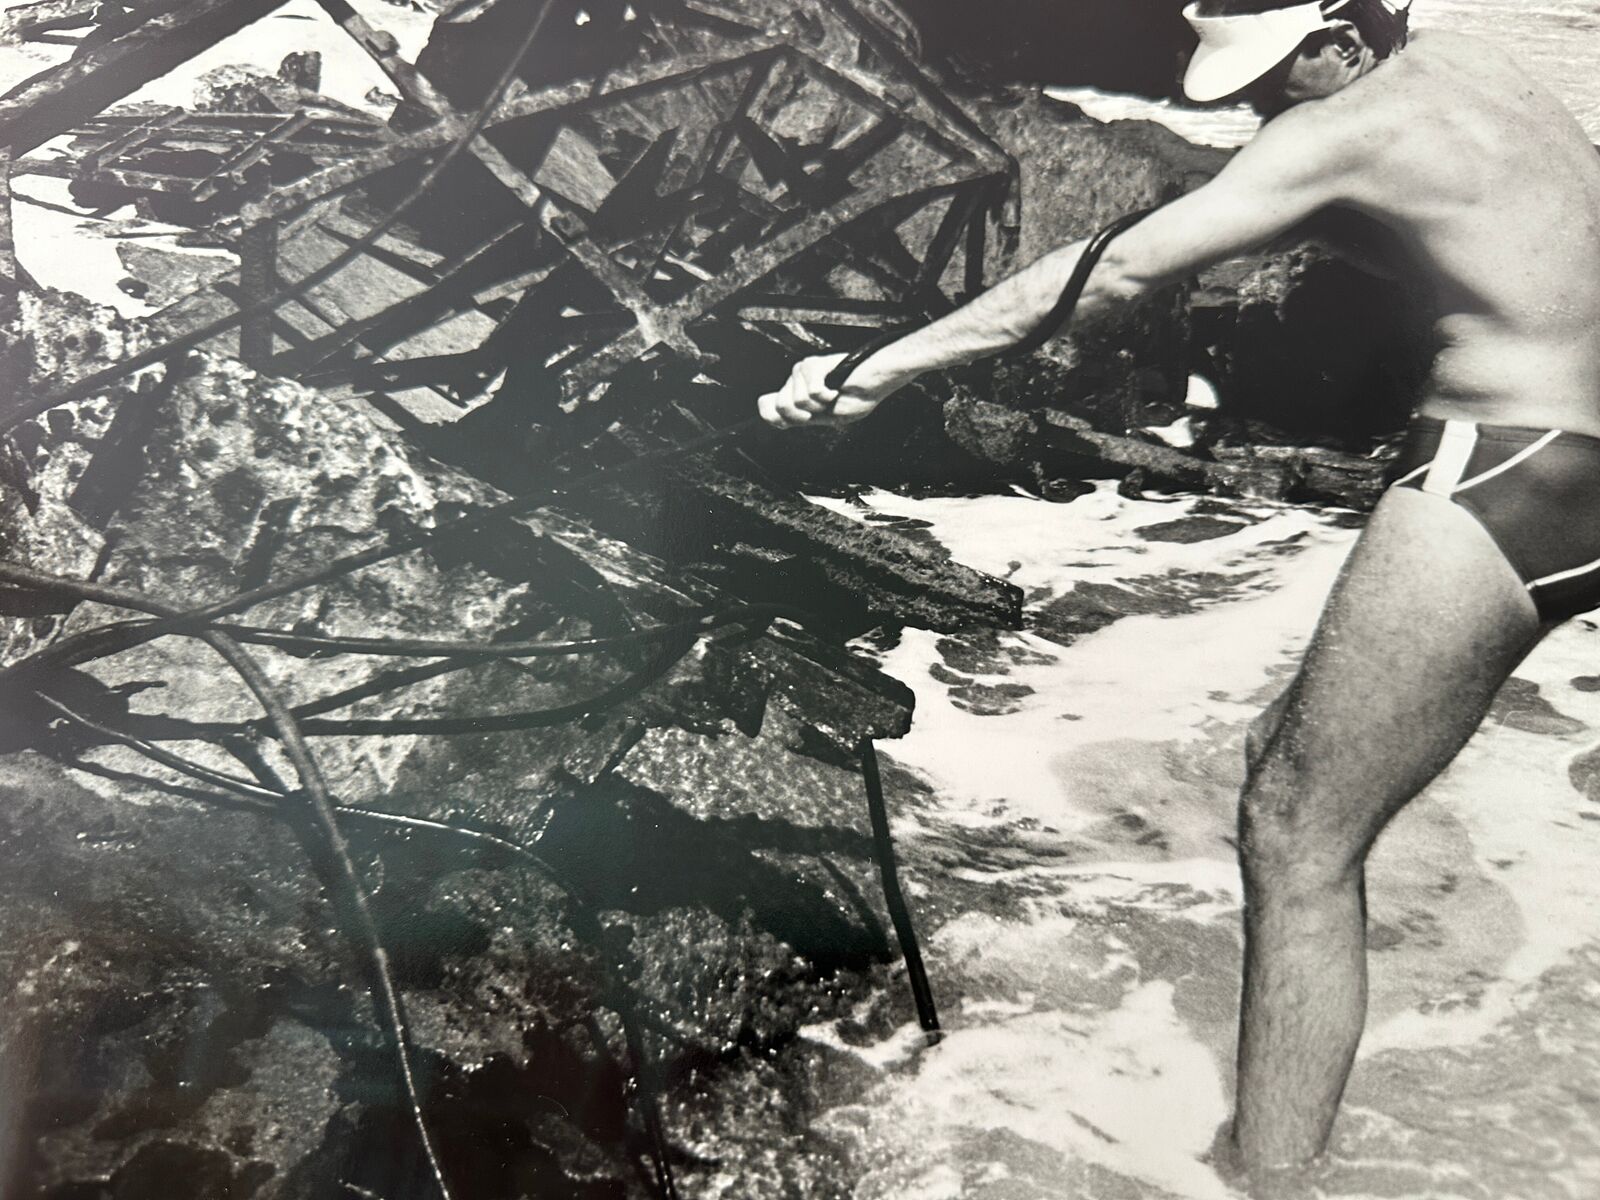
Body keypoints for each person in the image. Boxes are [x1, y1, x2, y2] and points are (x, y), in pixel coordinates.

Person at [758, 0, 1600, 1181]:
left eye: (1271, 77)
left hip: (1506, 473)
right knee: (1283, 754)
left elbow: (1103, 277)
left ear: (1346, 39)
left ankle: (1264, 1177)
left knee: (1295, 835)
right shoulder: (1481, 64)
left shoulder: (1341, 128)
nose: (1254, 107)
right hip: (1585, 467)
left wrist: (868, 373)